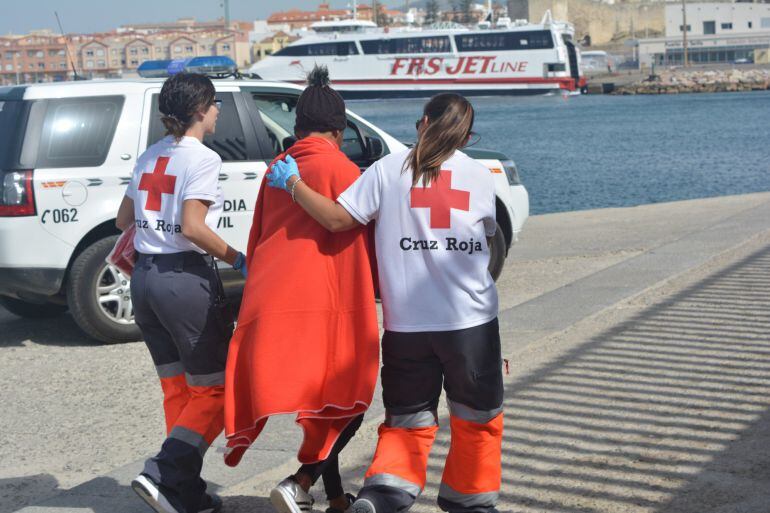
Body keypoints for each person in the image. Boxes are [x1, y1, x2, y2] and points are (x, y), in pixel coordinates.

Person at [268, 93, 504, 513]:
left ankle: (381, 499)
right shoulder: (481, 176)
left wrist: (293, 184)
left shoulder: (387, 169)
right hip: (471, 326)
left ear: (422, 123)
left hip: (407, 328)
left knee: (406, 425)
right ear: (466, 137)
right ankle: (470, 504)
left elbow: (337, 219)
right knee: (476, 422)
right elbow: (487, 237)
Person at [223, 66, 380, 513]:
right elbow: (358, 235)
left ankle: (331, 498)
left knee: (324, 405)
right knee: (347, 402)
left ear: (297, 128)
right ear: (340, 127)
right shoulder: (346, 169)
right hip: (325, 305)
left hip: (273, 298)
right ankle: (299, 482)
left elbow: (257, 235)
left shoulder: (278, 167)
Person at [115, 72, 247, 513]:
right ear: (198, 111)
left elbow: (122, 220)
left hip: (145, 279)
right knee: (215, 390)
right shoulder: (203, 158)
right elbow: (193, 227)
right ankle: (163, 472)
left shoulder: (150, 155)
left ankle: (183, 491)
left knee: (179, 391)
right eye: (214, 104)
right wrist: (239, 258)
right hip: (183, 281)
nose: (218, 111)